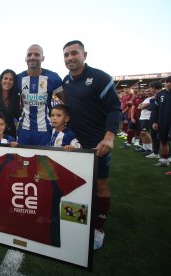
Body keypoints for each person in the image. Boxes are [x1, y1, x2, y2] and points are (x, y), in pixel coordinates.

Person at [62, 40, 121, 250]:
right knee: (74, 184)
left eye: (74, 53)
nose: (70, 58)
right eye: (66, 55)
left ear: (84, 55)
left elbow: (115, 108)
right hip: (75, 144)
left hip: (98, 144)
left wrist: (109, 137)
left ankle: (98, 228)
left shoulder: (100, 78)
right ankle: (77, 222)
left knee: (100, 186)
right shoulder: (65, 82)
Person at [17, 44, 64, 146]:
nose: (32, 57)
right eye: (29, 55)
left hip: (45, 129)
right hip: (24, 129)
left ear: (42, 58)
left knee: (42, 160)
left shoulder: (53, 78)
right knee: (22, 159)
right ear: (25, 58)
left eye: (37, 54)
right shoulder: (19, 78)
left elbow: (66, 100)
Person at [152, 76, 171, 167]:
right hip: (162, 122)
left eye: (169, 82)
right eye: (167, 82)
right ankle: (164, 160)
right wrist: (155, 121)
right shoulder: (160, 95)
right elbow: (156, 109)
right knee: (163, 141)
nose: (168, 84)